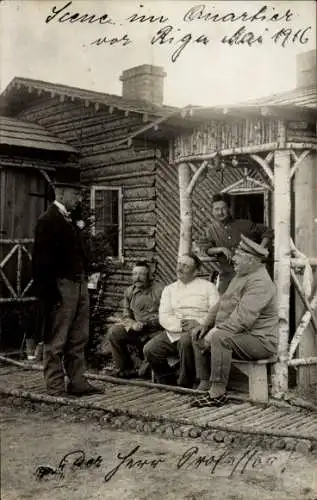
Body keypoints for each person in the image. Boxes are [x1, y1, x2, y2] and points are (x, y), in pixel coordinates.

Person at [32, 181, 103, 397]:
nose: (79, 198)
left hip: (79, 284)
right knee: (57, 338)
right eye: (75, 193)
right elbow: (40, 263)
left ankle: (78, 382)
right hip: (61, 287)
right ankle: (55, 386)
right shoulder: (48, 220)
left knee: (79, 336)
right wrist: (50, 295)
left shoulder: (70, 220)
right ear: (61, 192)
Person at [191, 234, 279, 407]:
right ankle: (205, 383)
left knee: (219, 338)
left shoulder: (260, 282)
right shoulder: (242, 275)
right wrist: (206, 324)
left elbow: (243, 318)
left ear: (252, 260)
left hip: (260, 340)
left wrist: (216, 330)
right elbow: (222, 301)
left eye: (238, 256)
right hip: (242, 335)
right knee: (197, 333)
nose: (234, 260)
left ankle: (218, 394)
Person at [143, 253, 219, 387]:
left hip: (199, 330)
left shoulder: (209, 287)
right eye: (179, 264)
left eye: (185, 266)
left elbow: (216, 312)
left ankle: (186, 383)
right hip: (174, 330)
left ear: (196, 271)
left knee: (185, 342)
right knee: (150, 349)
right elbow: (164, 316)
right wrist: (182, 326)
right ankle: (167, 381)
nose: (180, 268)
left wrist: (200, 323)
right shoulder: (169, 289)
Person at [194, 193, 273, 294]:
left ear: (229, 209)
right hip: (227, 277)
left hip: (249, 276)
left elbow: (268, 231)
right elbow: (206, 248)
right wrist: (221, 249)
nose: (220, 212)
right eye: (216, 209)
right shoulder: (211, 230)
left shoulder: (245, 224)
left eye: (223, 208)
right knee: (223, 305)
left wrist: (260, 249)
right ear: (212, 211)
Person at [108, 261, 164, 378]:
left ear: (149, 276)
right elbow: (126, 314)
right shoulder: (129, 291)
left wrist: (146, 323)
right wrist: (132, 323)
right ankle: (124, 369)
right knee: (114, 332)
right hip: (137, 331)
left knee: (143, 374)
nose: (137, 278)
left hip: (156, 332)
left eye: (141, 274)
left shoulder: (160, 290)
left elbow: (166, 315)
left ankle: (147, 369)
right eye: (135, 274)